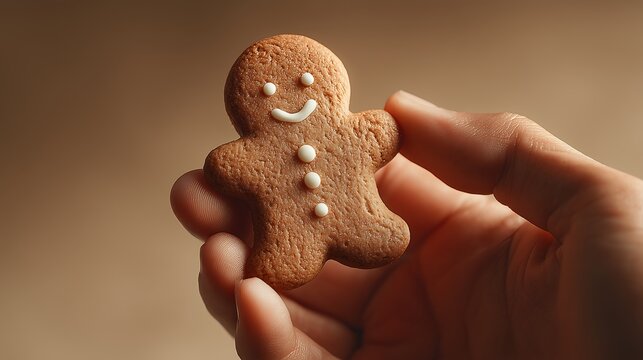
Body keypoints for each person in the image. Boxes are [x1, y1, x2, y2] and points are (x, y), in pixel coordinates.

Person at [171, 91, 643, 359]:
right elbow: (228, 163)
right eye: (270, 91)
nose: (287, 96)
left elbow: (378, 129)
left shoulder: (350, 131)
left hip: (363, 220)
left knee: (381, 236)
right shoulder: (256, 149)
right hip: (293, 239)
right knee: (270, 274)